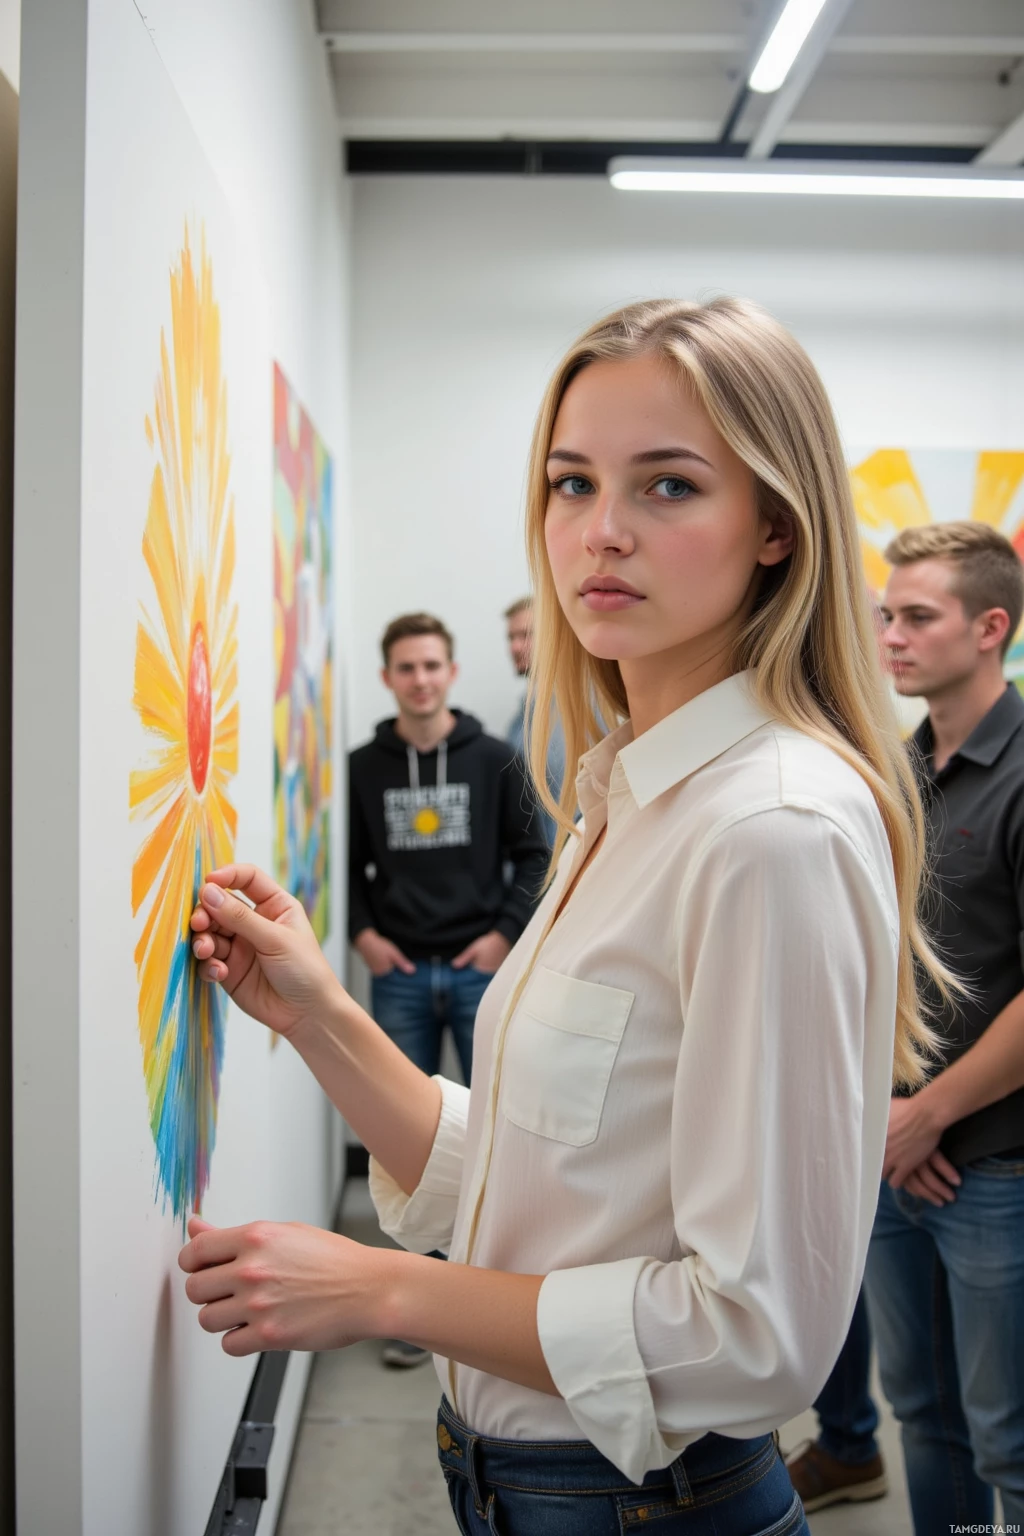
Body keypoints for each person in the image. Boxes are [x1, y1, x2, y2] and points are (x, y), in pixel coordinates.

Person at [179, 297, 949, 1536]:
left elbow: (758, 1338)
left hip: (644, 1504)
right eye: (570, 482)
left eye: (667, 487)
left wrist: (384, 1291)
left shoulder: (769, 830)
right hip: (520, 1486)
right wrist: (318, 1013)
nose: (599, 534)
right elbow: (547, 1177)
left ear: (774, 528)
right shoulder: (622, 795)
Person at [348, 611, 548, 1366]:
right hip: (398, 973)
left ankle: (492, 1299)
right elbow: (350, 862)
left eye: (433, 666)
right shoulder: (363, 767)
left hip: (477, 972)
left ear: (452, 673)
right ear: (388, 677)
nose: (421, 679)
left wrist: (499, 936)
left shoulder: (497, 757)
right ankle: (418, 1307)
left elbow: (534, 856)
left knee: (500, 1131)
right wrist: (365, 936)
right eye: (407, 668)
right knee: (403, 1143)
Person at [504, 596, 566, 848]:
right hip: (542, 872)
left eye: (527, 635)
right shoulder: (520, 719)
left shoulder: (588, 710)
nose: (515, 647)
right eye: (511, 638)